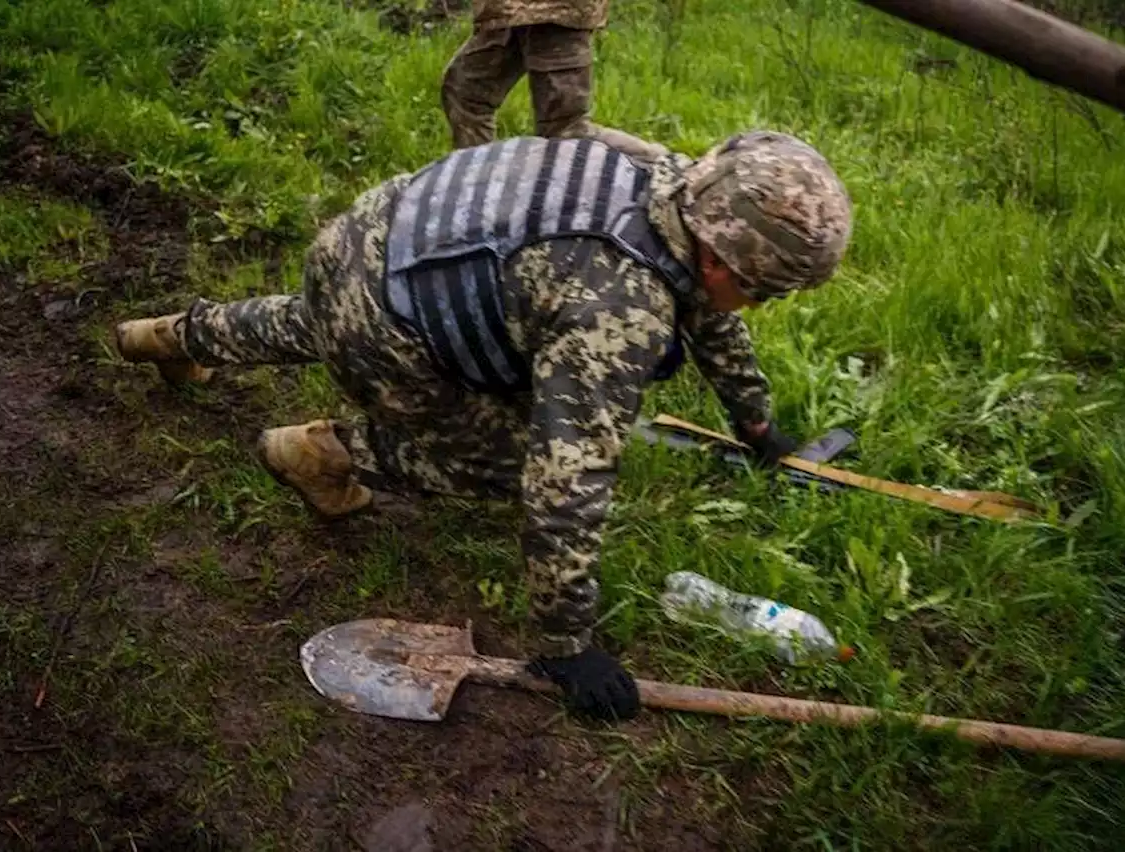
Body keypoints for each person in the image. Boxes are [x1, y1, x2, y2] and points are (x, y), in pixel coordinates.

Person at [113, 130, 852, 722]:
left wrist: (755, 424)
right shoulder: (619, 309)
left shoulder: (668, 180)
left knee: (304, 322)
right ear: (725, 254)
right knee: (504, 462)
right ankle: (323, 454)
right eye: (762, 289)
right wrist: (566, 644)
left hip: (376, 236)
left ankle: (156, 337)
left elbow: (710, 315)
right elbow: (564, 480)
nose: (756, 305)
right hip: (392, 322)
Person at [441, 0, 667, 162]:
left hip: (554, 12)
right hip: (510, 11)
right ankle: (476, 187)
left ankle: (668, 169)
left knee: (566, 130)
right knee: (466, 93)